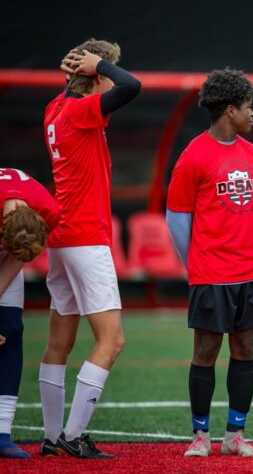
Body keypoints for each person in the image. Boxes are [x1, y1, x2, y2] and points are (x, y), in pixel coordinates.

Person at [39, 39, 141, 459]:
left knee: (59, 341)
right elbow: (131, 87)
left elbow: (91, 95)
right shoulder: (82, 110)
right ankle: (74, 434)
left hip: (62, 238)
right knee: (112, 340)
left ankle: (49, 437)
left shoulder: (55, 108)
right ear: (96, 76)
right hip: (85, 238)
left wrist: (82, 75)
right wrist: (102, 66)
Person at [167, 68, 253, 458]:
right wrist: (193, 267)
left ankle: (235, 436)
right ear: (230, 110)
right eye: (248, 108)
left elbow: (250, 208)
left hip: (252, 272)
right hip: (211, 274)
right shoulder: (193, 156)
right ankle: (200, 436)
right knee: (206, 352)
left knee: (245, 349)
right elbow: (177, 218)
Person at [0, 168, 59, 459]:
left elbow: (15, 259)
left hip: (11, 246)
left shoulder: (48, 209)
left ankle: (2, 434)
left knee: (11, 332)